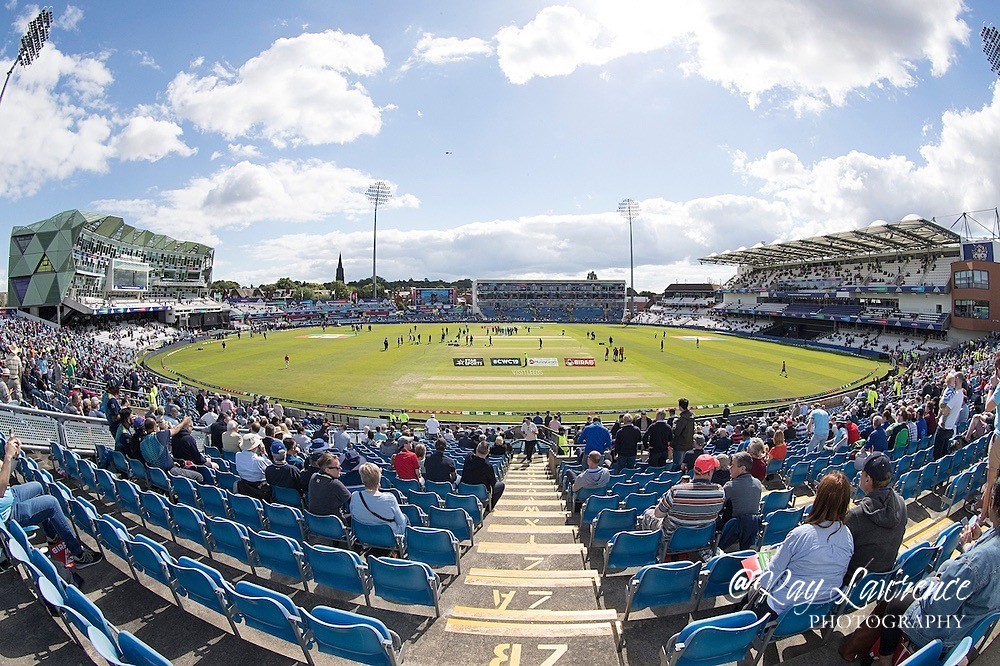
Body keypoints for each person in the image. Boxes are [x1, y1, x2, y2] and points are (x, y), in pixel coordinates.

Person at [870, 479, 1000, 663]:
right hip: (971, 624)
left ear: (995, 503)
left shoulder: (978, 560)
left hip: (945, 631)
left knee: (894, 606)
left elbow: (935, 608)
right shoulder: (991, 539)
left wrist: (936, 581)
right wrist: (972, 545)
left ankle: (884, 662)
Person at [751, 472, 854, 619]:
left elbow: (771, 575)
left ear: (819, 498)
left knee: (752, 567)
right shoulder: (847, 536)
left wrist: (758, 584)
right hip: (819, 608)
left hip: (783, 608)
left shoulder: (800, 534)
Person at [0, 436, 103, 568]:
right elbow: (0, 491)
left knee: (37, 486)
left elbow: (6, 472)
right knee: (51, 503)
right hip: (8, 513)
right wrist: (8, 456)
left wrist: (14, 455)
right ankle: (78, 555)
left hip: (11, 495)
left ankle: (52, 536)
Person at [844, 452, 906, 581]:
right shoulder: (901, 503)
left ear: (868, 479)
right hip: (881, 579)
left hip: (854, 581)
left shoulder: (856, 515)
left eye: (862, 473)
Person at [641, 454, 725, 547]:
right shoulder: (720, 492)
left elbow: (658, 514)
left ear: (694, 469)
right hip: (701, 538)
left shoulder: (676, 491)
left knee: (648, 514)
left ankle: (649, 549)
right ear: (710, 472)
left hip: (671, 539)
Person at [718, 451, 763, 549]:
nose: (730, 468)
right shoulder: (758, 483)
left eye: (733, 465)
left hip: (731, 531)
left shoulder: (730, 486)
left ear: (742, 469)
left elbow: (719, 509)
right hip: (751, 529)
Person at [139, 418, 205, 483]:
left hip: (156, 475)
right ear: (154, 427)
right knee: (199, 476)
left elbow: (156, 457)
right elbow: (175, 429)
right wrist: (184, 422)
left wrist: (172, 462)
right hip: (169, 472)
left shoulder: (142, 443)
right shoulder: (159, 436)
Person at [350, 463, 408, 536]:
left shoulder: (355, 496)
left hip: (364, 535)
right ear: (379, 478)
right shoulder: (390, 499)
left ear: (362, 479)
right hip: (387, 537)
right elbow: (401, 523)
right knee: (405, 518)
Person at [308, 452, 351, 520]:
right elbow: (352, 502)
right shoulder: (335, 484)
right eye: (337, 468)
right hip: (334, 524)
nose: (340, 469)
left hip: (314, 522)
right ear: (327, 470)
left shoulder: (313, 477)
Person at [935, 372, 964, 459]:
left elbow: (945, 411)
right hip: (950, 428)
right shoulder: (961, 393)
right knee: (944, 453)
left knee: (937, 454)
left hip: (944, 428)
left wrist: (940, 402)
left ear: (957, 379)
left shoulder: (956, 395)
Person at [234, 435, 270, 500]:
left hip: (244, 487)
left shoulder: (237, 455)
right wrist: (264, 453)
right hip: (259, 490)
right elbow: (270, 468)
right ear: (256, 446)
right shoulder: (258, 460)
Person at [671, 398, 696, 471]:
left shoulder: (683, 418)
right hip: (688, 444)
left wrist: (674, 425)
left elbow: (677, 432)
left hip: (680, 445)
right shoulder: (691, 416)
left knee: (678, 465)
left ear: (680, 407)